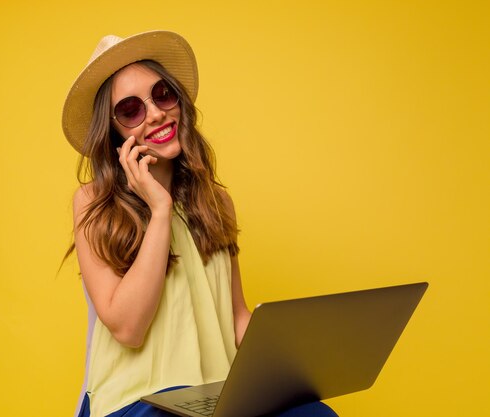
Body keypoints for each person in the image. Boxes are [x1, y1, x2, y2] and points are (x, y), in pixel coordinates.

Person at [61, 31, 338, 417]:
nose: (156, 113)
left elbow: (236, 314)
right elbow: (128, 329)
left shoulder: (216, 201)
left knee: (315, 414)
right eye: (130, 110)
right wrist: (160, 210)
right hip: (136, 403)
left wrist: (293, 350)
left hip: (216, 398)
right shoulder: (92, 202)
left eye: (162, 94)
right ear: (112, 132)